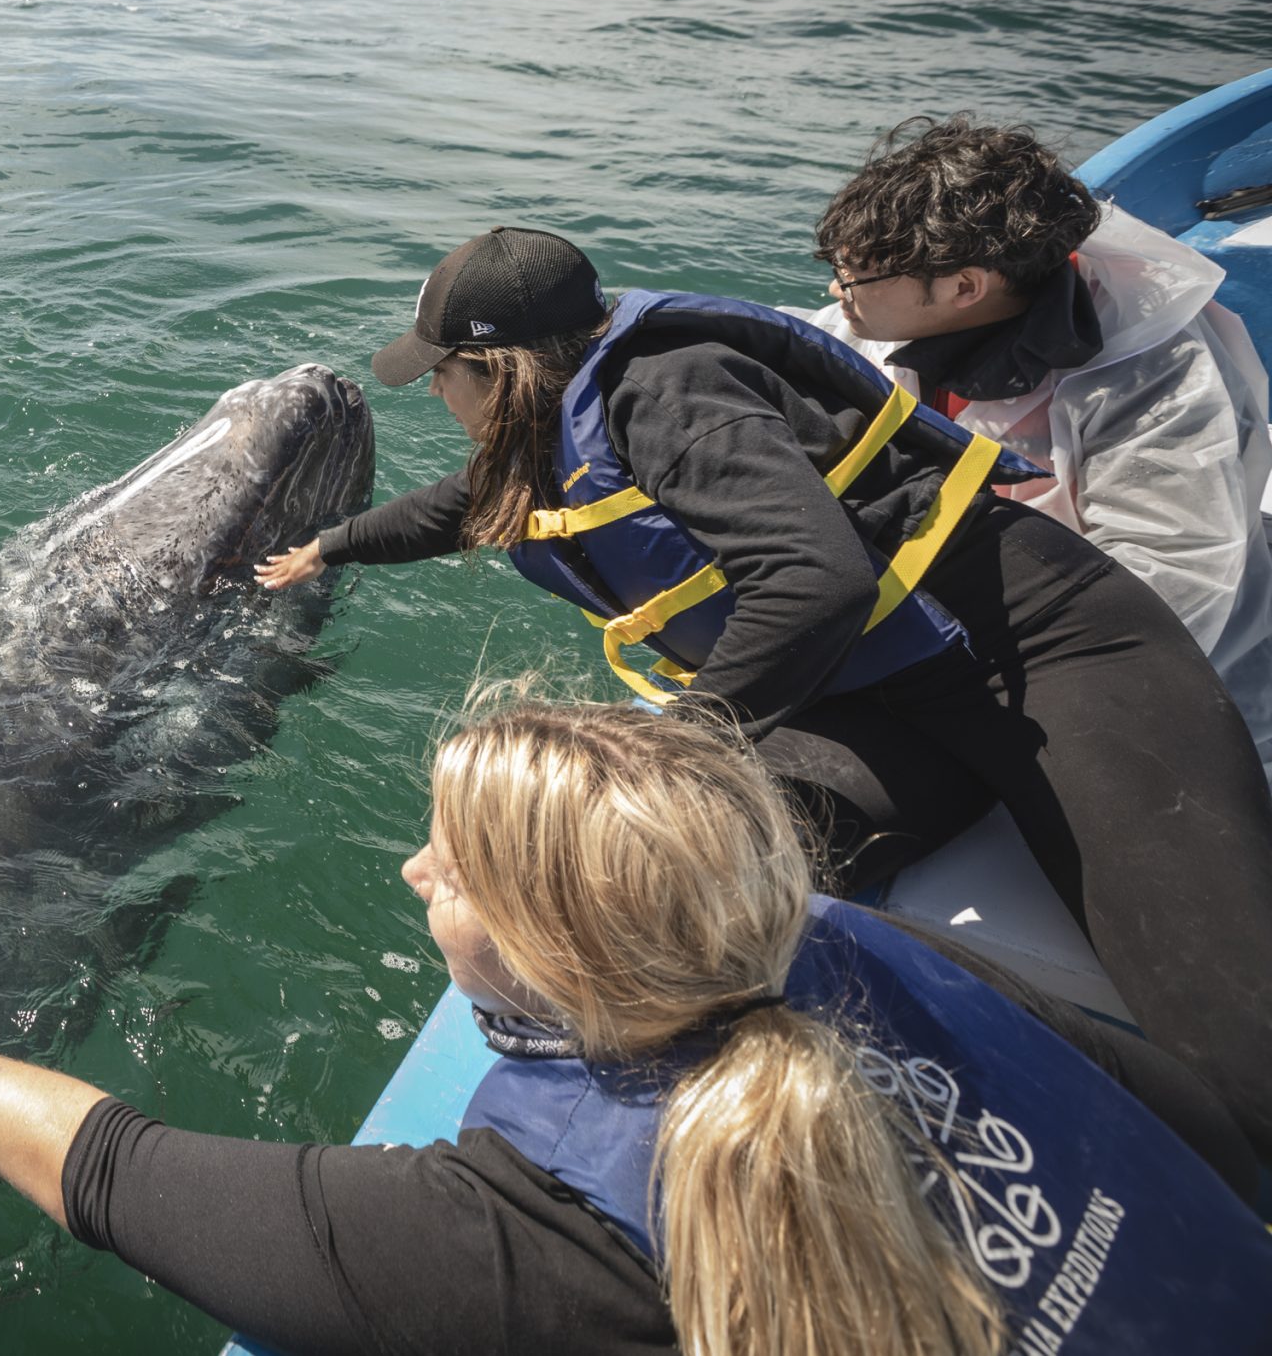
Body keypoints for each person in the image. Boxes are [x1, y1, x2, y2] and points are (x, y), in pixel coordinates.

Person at [250, 225, 1272, 1159]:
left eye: (441, 375)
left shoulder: (669, 393)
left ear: (498, 366)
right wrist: (328, 547)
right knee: (651, 891)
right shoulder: (565, 417)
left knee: (1239, 1060)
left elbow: (816, 580)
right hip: (870, 707)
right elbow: (467, 507)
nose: (435, 395)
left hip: (1036, 662)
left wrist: (679, 746)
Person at [0, 697, 1272, 1356]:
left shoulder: (546, 1220)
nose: (414, 872)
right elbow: (1179, 1119)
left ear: (548, 955)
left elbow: (114, 1173)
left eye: (449, 867)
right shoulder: (831, 936)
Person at [805, 114, 1272, 767]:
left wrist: (970, 679)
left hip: (1158, 680)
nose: (835, 290)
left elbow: (1169, 583)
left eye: (851, 278)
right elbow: (814, 341)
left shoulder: (1159, 383)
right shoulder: (910, 306)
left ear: (965, 288)